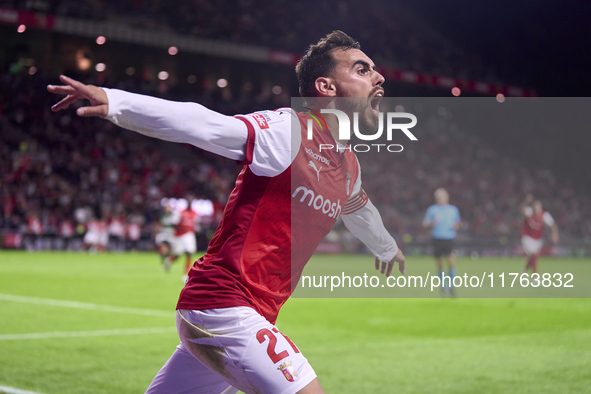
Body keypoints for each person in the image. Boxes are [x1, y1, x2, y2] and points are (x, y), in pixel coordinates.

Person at [48, 30, 405, 394]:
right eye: (362, 69)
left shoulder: (348, 163)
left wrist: (386, 245)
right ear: (326, 88)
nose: (379, 77)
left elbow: (358, 205)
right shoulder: (290, 130)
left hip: (239, 313)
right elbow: (204, 124)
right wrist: (117, 102)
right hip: (224, 306)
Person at [422, 188, 460, 296]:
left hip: (449, 238)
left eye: (441, 196)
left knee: (451, 262)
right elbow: (425, 223)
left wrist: (456, 226)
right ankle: (443, 287)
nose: (439, 198)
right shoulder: (432, 210)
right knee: (440, 264)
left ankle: (452, 287)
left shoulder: (453, 210)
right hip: (437, 238)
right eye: (437, 196)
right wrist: (431, 224)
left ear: (446, 197)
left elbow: (458, 222)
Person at [520, 194, 559, 274]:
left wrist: (554, 234)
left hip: (537, 239)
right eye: (535, 207)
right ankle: (535, 277)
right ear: (533, 207)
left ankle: (525, 269)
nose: (536, 209)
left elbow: (553, 225)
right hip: (527, 237)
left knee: (532, 257)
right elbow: (522, 210)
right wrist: (526, 202)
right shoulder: (529, 211)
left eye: (538, 207)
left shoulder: (544, 215)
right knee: (534, 255)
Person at [165, 204, 198, 280]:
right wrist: (181, 227)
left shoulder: (194, 213)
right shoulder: (180, 212)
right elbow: (173, 223)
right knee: (178, 255)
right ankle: (169, 260)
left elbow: (194, 224)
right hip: (179, 236)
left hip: (189, 235)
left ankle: (185, 275)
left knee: (189, 253)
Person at [154, 202, 177, 267]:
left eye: (169, 207)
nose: (168, 209)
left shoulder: (173, 216)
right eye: (167, 207)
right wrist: (157, 231)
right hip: (163, 233)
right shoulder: (162, 216)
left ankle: (166, 259)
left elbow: (175, 225)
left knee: (171, 251)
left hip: (171, 234)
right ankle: (163, 258)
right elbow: (159, 224)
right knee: (164, 248)